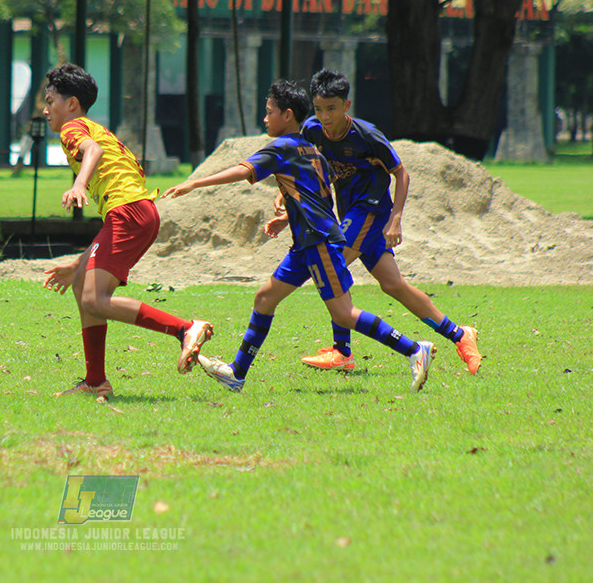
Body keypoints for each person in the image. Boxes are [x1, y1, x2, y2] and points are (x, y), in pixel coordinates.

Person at [162, 79, 437, 393]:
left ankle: (415, 350)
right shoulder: (311, 150)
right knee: (264, 298)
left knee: (344, 315)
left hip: (318, 242)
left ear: (288, 115)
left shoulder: (281, 147)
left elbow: (243, 171)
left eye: (269, 113)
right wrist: (286, 217)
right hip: (306, 242)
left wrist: (195, 183)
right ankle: (237, 373)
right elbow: (319, 196)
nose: (265, 119)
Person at [288, 69, 481, 374]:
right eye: (319, 109)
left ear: (346, 106)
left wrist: (396, 219)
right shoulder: (311, 130)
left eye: (332, 109)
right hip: (350, 213)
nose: (325, 116)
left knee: (332, 264)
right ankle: (460, 335)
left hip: (372, 211)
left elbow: (401, 173)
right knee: (393, 286)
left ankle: (342, 351)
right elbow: (306, 166)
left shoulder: (367, 136)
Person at [41, 62, 212, 402]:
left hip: (129, 212)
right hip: (135, 211)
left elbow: (93, 152)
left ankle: (184, 329)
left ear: (71, 103)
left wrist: (79, 183)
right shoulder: (92, 126)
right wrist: (78, 264)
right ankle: (95, 381)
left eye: (50, 101)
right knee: (82, 286)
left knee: (94, 298)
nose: (46, 110)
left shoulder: (73, 129)